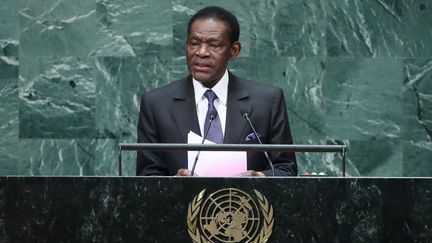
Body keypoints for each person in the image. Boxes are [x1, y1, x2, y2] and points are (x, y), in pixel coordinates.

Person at [136, 6, 297, 176]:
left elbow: (286, 169)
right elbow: (147, 176)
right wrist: (176, 185)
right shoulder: (157, 104)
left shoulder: (266, 101)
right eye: (194, 43)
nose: (202, 52)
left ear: (234, 51)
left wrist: (260, 177)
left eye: (214, 45)